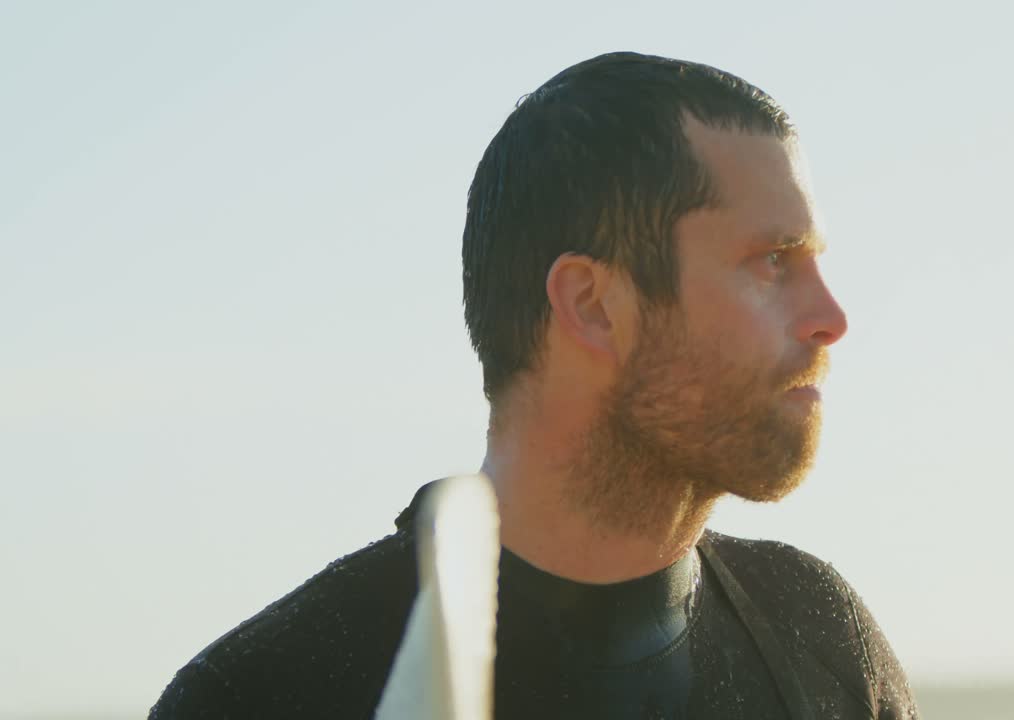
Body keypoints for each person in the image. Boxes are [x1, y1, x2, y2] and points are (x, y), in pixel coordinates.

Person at [150, 51, 918, 719]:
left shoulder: (821, 642)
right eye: (774, 262)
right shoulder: (264, 697)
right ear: (591, 306)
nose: (831, 317)